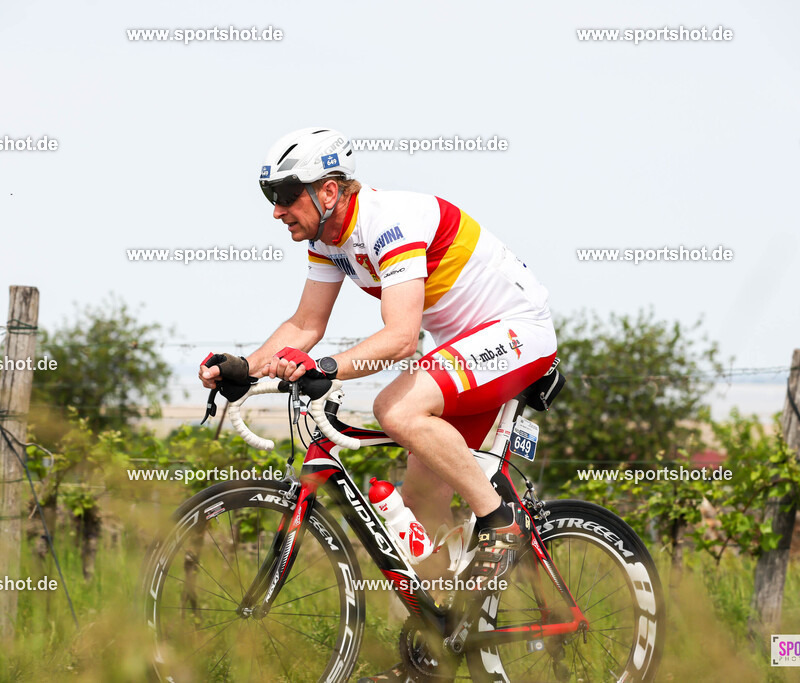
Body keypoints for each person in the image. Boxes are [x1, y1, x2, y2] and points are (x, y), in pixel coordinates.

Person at [199, 127, 557, 681]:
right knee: (420, 510)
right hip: (463, 347)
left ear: (329, 191)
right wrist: (245, 367)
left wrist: (325, 367)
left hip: (515, 332)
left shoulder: (388, 223)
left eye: (286, 195)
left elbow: (401, 338)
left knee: (396, 410)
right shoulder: (328, 240)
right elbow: (306, 324)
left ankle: (501, 522)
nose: (276, 211)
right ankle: (433, 656)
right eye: (270, 196)